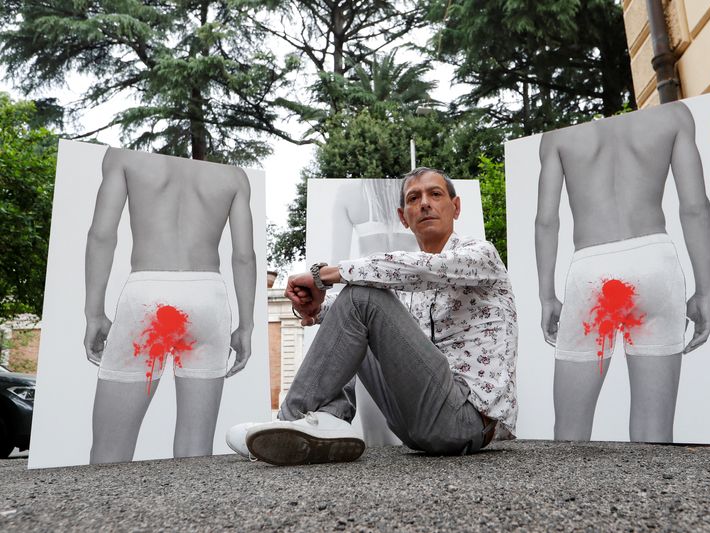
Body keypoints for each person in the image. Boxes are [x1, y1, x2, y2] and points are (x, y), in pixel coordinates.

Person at [227, 168, 518, 466]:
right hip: (416, 426)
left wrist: (326, 275)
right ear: (403, 217)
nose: (425, 203)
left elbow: (428, 269)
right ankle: (329, 417)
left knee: (363, 294)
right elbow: (357, 319)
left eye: (435, 194)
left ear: (455, 207)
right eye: (414, 198)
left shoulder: (482, 255)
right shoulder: (411, 295)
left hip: (465, 420)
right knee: (359, 310)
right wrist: (315, 310)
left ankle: (288, 420)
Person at [535, 101, 710, 443]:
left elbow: (547, 221)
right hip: (656, 263)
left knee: (569, 433)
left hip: (592, 271)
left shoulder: (557, 135)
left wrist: (547, 296)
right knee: (655, 432)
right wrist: (705, 290)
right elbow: (695, 207)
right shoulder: (674, 115)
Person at [84, 147, 256, 464]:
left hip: (147, 296)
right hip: (208, 298)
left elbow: (102, 235)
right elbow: (244, 256)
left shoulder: (123, 155)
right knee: (195, 453)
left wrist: (93, 313)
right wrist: (246, 325)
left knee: (109, 453)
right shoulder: (233, 174)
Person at [329, 179, 420, 447]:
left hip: (370, 299)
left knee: (378, 435)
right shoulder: (419, 192)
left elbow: (338, 263)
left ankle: (323, 416)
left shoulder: (348, 193)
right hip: (411, 300)